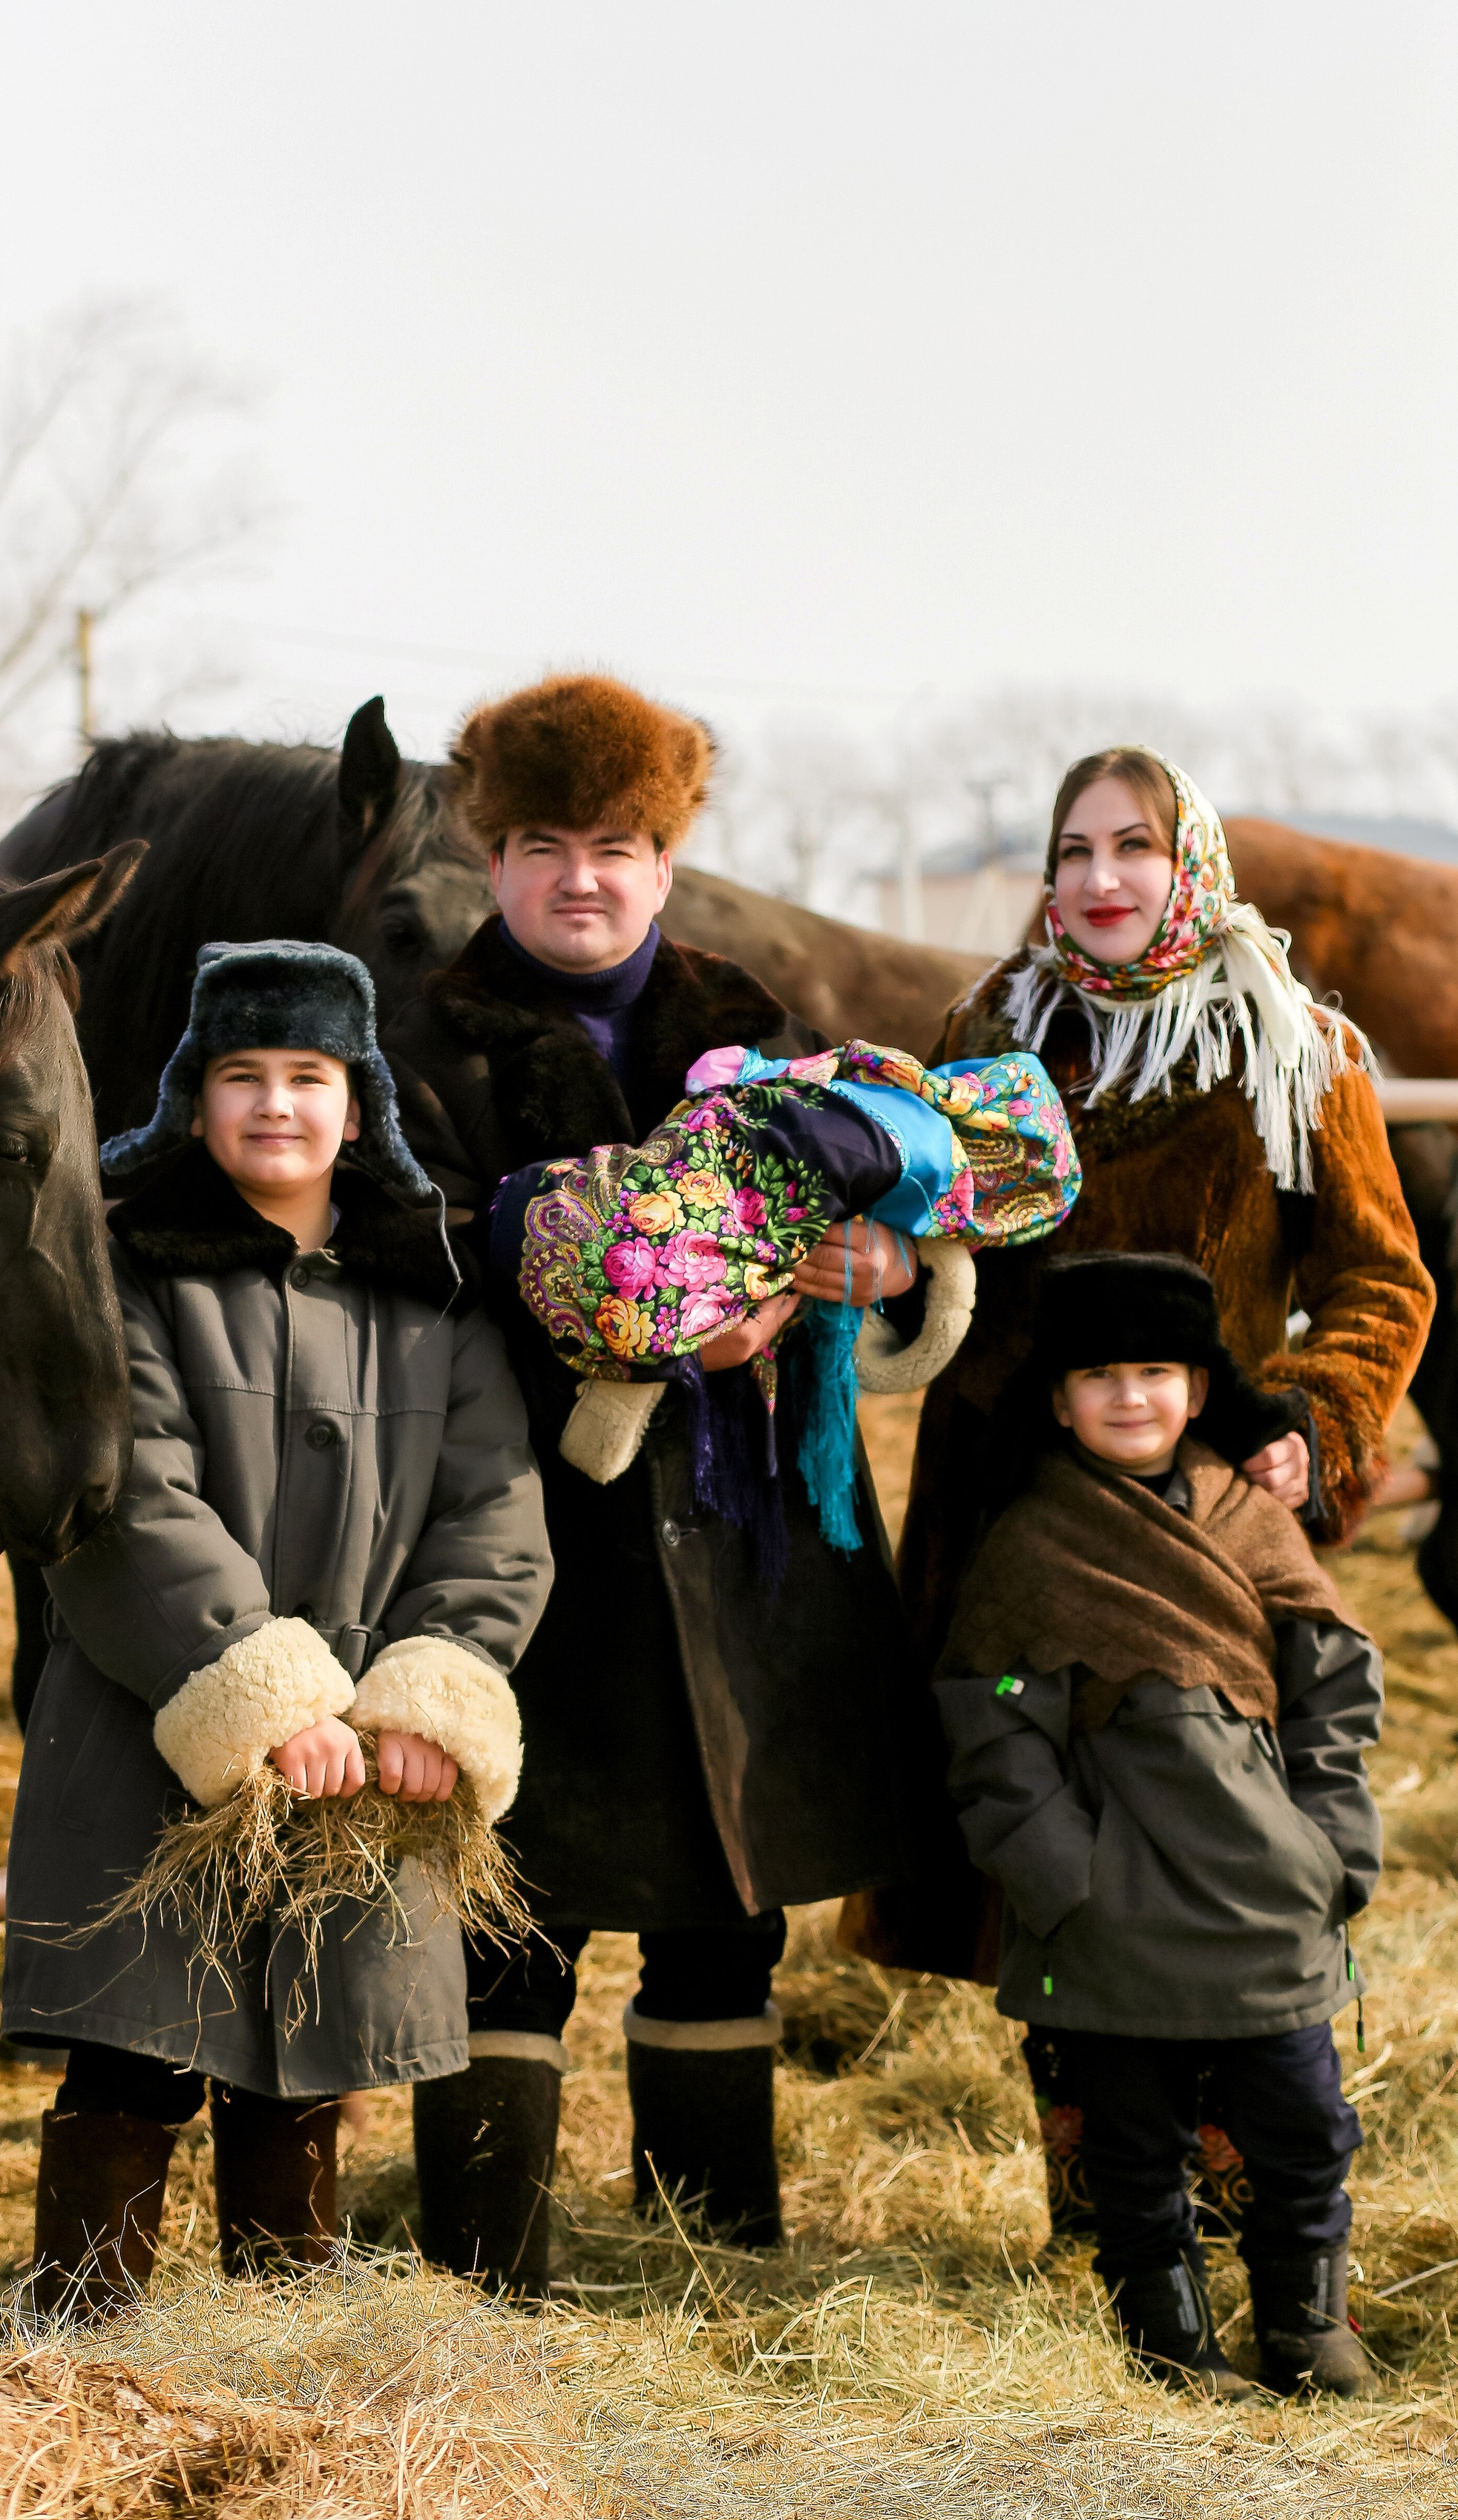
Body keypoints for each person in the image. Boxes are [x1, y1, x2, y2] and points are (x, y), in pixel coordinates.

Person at [382, 672, 1071, 2291]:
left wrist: (866, 1264)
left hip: (741, 1525)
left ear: (666, 859)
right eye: (543, 841)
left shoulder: (748, 1018)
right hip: (525, 1526)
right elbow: (406, 1258)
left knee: (720, 1899)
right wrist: (593, 1275)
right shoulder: (421, 1046)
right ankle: (483, 2275)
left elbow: (904, 1227)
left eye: (617, 843)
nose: (581, 876)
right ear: (491, 858)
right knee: (505, 1893)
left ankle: (715, 2253)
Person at [845, 744, 1432, 2214]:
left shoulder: (1295, 1048)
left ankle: (1244, 2191)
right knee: (1039, 1840)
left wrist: (1315, 1413)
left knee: (1219, 1824)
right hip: (1013, 1510)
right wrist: (897, 1277)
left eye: (1132, 848)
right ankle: (1103, 2206)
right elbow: (935, 1252)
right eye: (1071, 851)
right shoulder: (987, 1037)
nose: (1099, 880)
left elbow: (1378, 1278)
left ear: (1191, 866)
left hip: (1214, 1510)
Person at [2, 939, 552, 2315]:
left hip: (356, 1750)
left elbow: (492, 1506)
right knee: (139, 2043)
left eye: (308, 1077)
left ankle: (278, 2343)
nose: (275, 1107)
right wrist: (253, 1686)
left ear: (356, 1108)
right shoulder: (122, 1269)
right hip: (155, 1723)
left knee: (306, 2041)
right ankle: (86, 2339)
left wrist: (431, 1693)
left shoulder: (430, 1291)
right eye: (241, 1075)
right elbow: (130, 1494)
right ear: (195, 1100)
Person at [936, 1251, 1383, 2400]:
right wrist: (1060, 1875)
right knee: (1132, 2153)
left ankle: (1306, 2327)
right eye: (1099, 1375)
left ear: (1197, 1389)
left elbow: (1332, 1683)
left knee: (1305, 2126)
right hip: (1108, 1914)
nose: (1129, 1397)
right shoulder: (1033, 1541)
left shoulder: (1250, 1519)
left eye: (1156, 1371)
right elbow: (993, 1725)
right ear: (1056, 1398)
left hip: (1266, 1898)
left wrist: (1329, 1841)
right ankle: (1173, 2349)